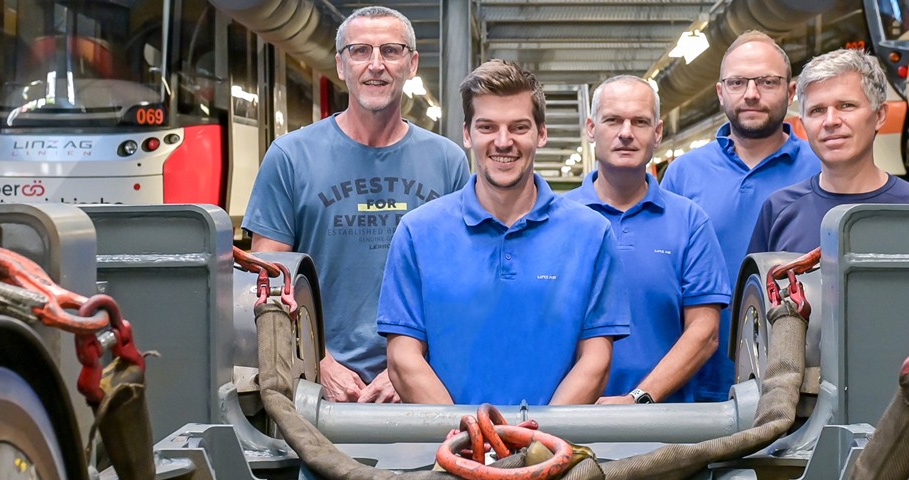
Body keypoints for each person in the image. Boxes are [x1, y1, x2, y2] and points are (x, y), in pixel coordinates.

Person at [241, 6, 469, 404]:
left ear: (411, 64)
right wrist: (319, 361)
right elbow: (268, 281)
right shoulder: (292, 156)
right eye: (360, 51)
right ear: (341, 66)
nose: (375, 65)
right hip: (316, 386)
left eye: (391, 51)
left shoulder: (448, 161)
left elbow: (461, 282)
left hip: (425, 382)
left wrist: (410, 368)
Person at [377, 60, 631, 406]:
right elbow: (403, 360)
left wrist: (537, 441)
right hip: (446, 452)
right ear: (467, 134)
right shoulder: (418, 232)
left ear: (541, 134)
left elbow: (596, 361)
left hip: (555, 451)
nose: (503, 141)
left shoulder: (591, 235)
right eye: (487, 127)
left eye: (518, 127)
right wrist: (468, 439)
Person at [660, 31, 821, 401]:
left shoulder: (821, 169)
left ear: (791, 91)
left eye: (767, 81)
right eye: (737, 82)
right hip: (698, 383)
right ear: (721, 93)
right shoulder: (684, 174)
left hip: (796, 380)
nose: (751, 93)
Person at [566, 75, 730, 404]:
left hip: (664, 428)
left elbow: (705, 332)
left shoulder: (689, 221)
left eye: (639, 122)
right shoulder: (557, 218)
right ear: (591, 129)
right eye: (612, 120)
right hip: (567, 424)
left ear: (657, 134)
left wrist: (639, 399)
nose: (626, 133)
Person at [747, 49, 909, 254]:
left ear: (879, 115)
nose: (831, 121)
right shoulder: (779, 210)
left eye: (846, 106)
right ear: (803, 123)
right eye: (817, 110)